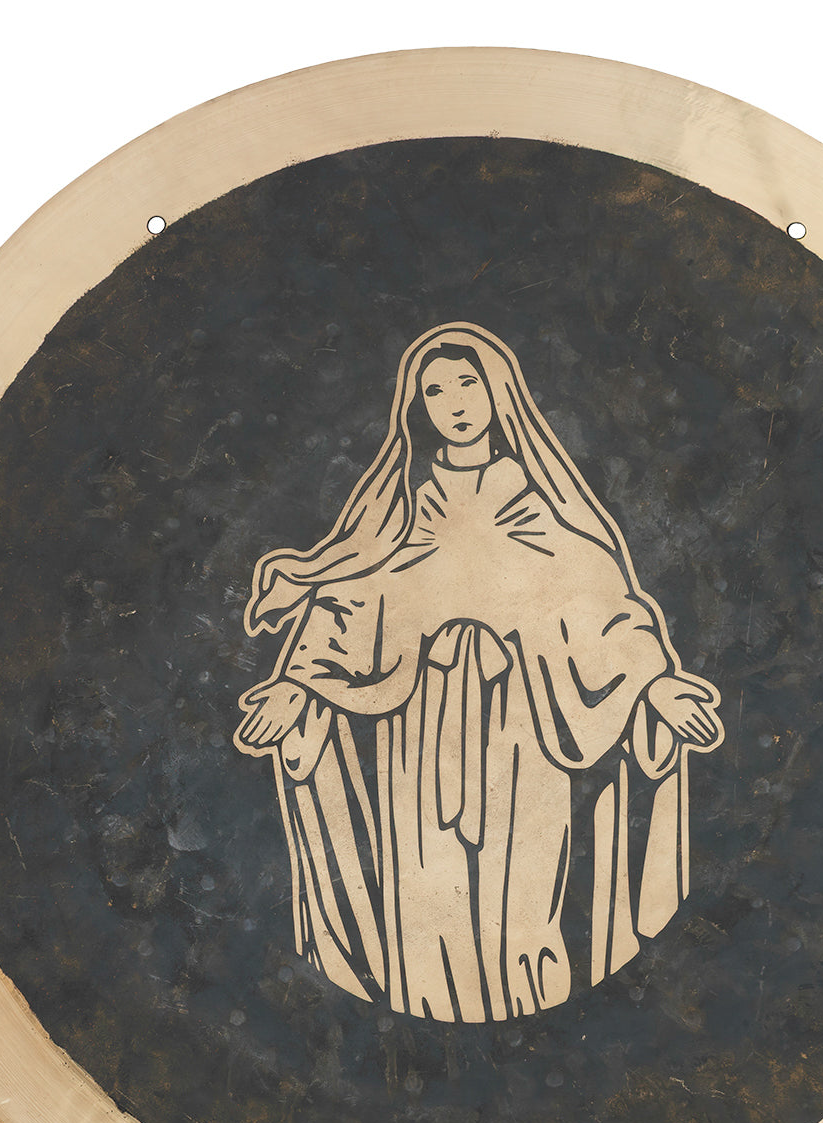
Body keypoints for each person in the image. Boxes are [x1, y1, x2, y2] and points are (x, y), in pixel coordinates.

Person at [235, 323, 722, 1022]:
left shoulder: (536, 501)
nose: (455, 402)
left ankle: (536, 1033)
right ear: (418, 407)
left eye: (468, 383)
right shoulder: (403, 507)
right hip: (419, 726)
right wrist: (299, 683)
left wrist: (655, 682)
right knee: (422, 898)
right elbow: (353, 597)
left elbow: (599, 596)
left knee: (525, 903)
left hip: (521, 721)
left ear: (498, 391)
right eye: (435, 390)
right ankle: (425, 1034)